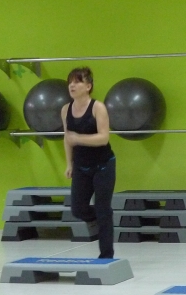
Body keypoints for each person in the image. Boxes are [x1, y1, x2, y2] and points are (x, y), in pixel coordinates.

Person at [61, 67, 115, 259]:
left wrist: (78, 138)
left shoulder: (98, 108)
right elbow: (67, 138)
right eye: (70, 82)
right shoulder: (65, 110)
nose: (72, 85)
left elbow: (103, 138)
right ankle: (102, 219)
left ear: (88, 86)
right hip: (81, 166)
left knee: (103, 209)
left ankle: (106, 255)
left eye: (77, 82)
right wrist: (69, 163)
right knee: (78, 209)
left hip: (103, 165)